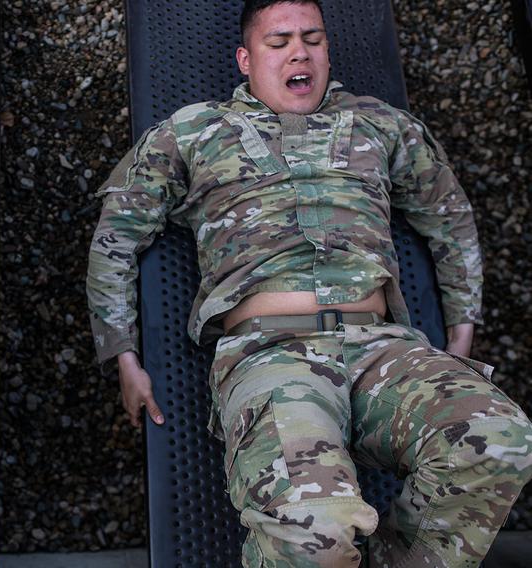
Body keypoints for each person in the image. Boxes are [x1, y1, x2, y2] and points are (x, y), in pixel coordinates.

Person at [86, 1, 532, 566]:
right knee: (316, 530)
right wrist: (124, 357)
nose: (300, 51)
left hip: (383, 352)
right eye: (279, 43)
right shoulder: (193, 131)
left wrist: (461, 334)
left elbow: (451, 220)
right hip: (271, 356)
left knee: (498, 438)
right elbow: (116, 236)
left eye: (313, 39)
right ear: (246, 60)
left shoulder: (383, 124)